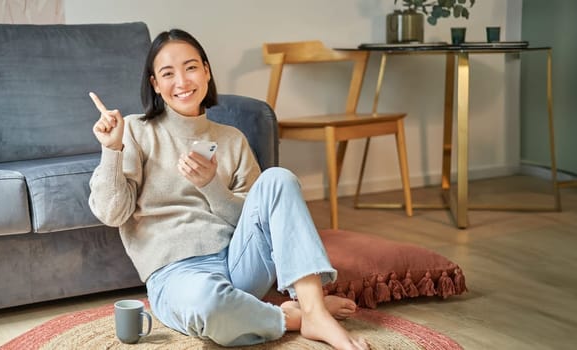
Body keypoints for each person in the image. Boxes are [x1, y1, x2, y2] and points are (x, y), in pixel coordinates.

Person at [88, 28, 368, 350]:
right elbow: (112, 214)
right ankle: (291, 317)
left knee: (278, 178)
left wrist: (212, 186)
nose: (182, 81)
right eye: (168, 73)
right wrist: (112, 150)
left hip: (239, 261)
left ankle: (315, 311)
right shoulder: (135, 131)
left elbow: (253, 221)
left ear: (206, 71)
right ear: (155, 83)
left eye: (191, 67)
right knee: (210, 306)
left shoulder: (231, 139)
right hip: (178, 276)